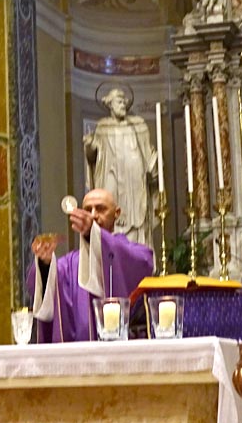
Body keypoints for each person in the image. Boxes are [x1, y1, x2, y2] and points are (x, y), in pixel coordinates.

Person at [27, 188, 154, 343]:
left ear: (117, 213)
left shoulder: (131, 252)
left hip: (119, 350)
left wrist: (93, 234)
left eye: (101, 209)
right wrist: (45, 263)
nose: (93, 215)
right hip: (78, 352)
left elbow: (143, 263)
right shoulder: (69, 264)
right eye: (88, 210)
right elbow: (41, 286)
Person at [83, 87, 157, 246]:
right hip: (111, 177)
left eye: (124, 102)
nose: (123, 105)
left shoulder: (137, 125)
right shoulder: (102, 128)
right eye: (119, 102)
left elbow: (147, 152)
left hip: (134, 183)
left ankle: (137, 250)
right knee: (109, 208)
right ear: (110, 105)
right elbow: (93, 158)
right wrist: (89, 146)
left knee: (137, 215)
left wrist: (154, 165)